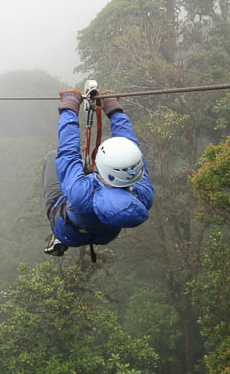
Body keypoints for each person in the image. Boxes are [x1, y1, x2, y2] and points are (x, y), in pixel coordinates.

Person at [42, 88, 154, 256]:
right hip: (106, 235)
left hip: (68, 234)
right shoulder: (142, 195)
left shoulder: (82, 193)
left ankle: (57, 239)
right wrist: (113, 109)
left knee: (53, 157)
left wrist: (69, 106)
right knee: (74, 178)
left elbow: (68, 153)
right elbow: (129, 145)